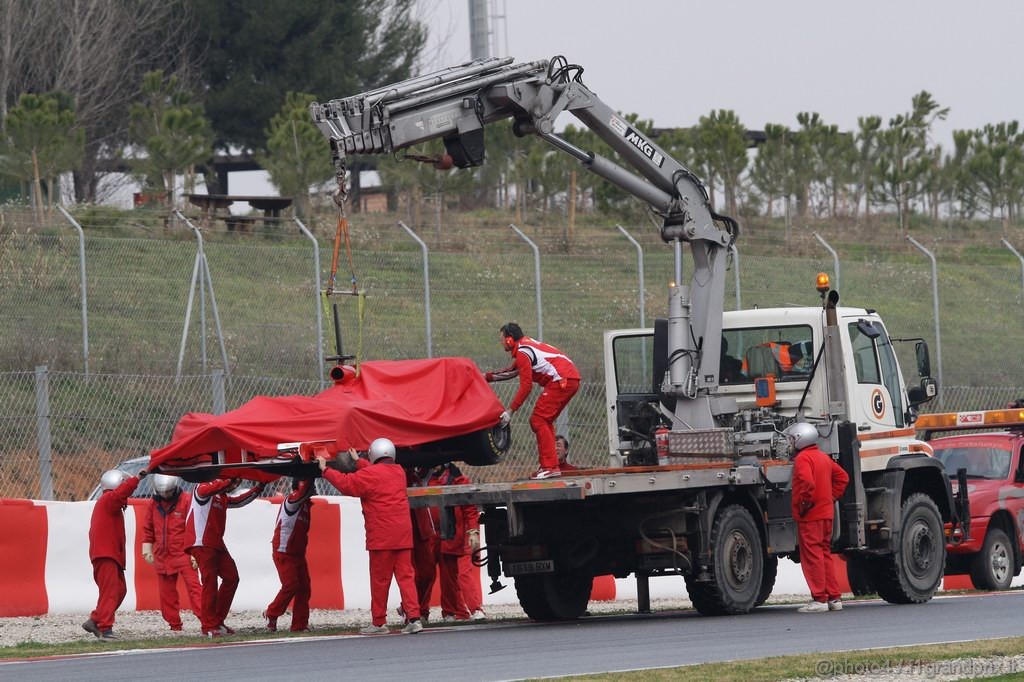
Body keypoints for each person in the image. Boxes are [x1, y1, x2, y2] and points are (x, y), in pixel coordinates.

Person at [316, 439, 424, 635]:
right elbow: (377, 473)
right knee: (406, 577)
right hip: (403, 534)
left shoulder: (369, 475)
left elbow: (347, 484)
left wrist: (325, 470)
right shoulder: (399, 472)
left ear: (373, 454)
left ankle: (378, 622)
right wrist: (358, 462)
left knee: (380, 580)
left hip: (381, 535)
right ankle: (414, 618)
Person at [485, 322, 581, 480]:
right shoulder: (524, 347)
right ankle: (551, 466)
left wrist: (510, 411)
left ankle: (549, 467)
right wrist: (485, 377)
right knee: (545, 420)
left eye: (501, 339)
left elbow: (526, 387)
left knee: (538, 420)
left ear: (510, 340)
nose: (501, 342)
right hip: (568, 378)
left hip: (561, 379)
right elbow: (511, 372)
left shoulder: (523, 352)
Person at [184, 477, 264, 637]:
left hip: (215, 543)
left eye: (237, 484)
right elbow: (210, 489)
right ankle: (208, 626)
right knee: (210, 582)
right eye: (234, 483)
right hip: (201, 542)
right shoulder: (202, 487)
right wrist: (231, 479)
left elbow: (240, 501)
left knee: (232, 577)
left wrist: (259, 487)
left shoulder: (223, 497)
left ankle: (217, 621)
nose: (235, 486)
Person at [786, 422, 849, 613]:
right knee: (824, 554)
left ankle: (819, 599)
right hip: (826, 514)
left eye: (791, 439)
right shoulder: (822, 457)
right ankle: (834, 598)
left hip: (811, 516)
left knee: (812, 556)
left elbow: (807, 483)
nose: (789, 443)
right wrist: (830, 497)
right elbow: (843, 477)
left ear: (799, 439)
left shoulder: (803, 459)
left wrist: (804, 505)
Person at [408, 463, 480, 623]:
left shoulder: (457, 479)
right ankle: (418, 611)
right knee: (424, 574)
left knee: (450, 577)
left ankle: (451, 612)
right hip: (428, 535)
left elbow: (469, 507)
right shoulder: (419, 476)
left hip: (450, 534)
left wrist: (473, 530)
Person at [82, 467, 144, 641]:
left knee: (119, 590)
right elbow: (120, 493)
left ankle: (95, 620)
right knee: (110, 592)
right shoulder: (109, 499)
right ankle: (105, 628)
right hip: (106, 555)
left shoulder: (109, 503)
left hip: (110, 555)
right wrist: (137, 478)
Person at [141, 474, 202, 632]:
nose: (165, 495)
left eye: (167, 492)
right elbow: (148, 527)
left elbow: (194, 526)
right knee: (166, 593)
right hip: (163, 554)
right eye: (162, 492)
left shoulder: (187, 501)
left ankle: (207, 620)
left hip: (183, 552)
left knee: (195, 588)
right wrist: (147, 546)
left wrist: (195, 551)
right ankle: (174, 625)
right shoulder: (154, 503)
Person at [264, 478, 315, 633]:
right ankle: (271, 613)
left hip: (298, 554)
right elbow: (303, 489)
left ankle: (299, 625)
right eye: (310, 487)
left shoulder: (306, 505)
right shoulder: (292, 500)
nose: (313, 490)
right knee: (291, 585)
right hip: (283, 550)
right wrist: (309, 474)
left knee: (304, 588)